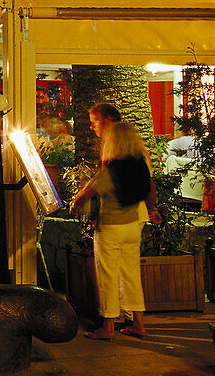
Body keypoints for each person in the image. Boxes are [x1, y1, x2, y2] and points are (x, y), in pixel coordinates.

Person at [71, 107, 160, 340]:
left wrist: (75, 204)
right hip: (133, 224)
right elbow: (151, 189)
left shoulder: (112, 169)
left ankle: (108, 325)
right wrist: (152, 210)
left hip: (111, 226)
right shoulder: (140, 163)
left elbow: (87, 194)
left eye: (94, 122)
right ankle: (138, 323)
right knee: (131, 274)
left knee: (108, 275)